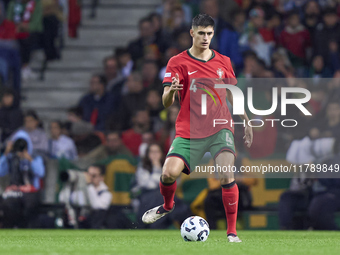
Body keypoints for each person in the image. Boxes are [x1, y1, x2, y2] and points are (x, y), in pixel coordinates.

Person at [141, 14, 253, 243]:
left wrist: (246, 119)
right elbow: (165, 102)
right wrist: (171, 91)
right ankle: (167, 205)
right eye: (201, 33)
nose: (205, 38)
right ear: (192, 33)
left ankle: (232, 233)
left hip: (220, 126)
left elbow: (233, 93)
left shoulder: (224, 61)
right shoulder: (177, 62)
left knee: (226, 174)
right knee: (168, 173)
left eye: (209, 33)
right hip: (189, 129)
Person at [0, 136, 45, 228]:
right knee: (7, 202)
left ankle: (27, 227)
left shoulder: (35, 157)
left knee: (29, 203)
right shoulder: (12, 159)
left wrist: (30, 159)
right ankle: (12, 227)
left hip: (31, 191)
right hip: (15, 191)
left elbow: (41, 173)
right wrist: (5, 154)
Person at [79, 164, 112, 229]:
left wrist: (89, 185)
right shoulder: (81, 188)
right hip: (81, 221)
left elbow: (97, 206)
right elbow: (63, 198)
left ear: (101, 177)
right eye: (88, 175)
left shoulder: (106, 193)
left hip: (95, 224)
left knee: (99, 213)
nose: (90, 178)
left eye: (93, 176)